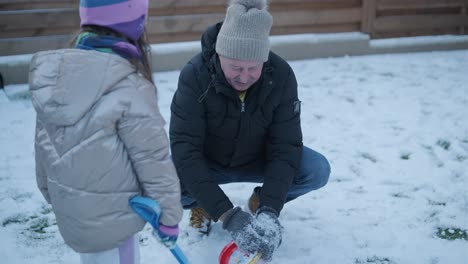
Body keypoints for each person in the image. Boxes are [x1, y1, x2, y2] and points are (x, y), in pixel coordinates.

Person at [169, 0, 331, 260]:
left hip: (258, 158)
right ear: (220, 55)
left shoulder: (281, 76)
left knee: (316, 169)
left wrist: (269, 209)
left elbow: (285, 148)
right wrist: (227, 214)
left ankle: (260, 202)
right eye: (235, 67)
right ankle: (202, 204)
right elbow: (185, 151)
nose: (244, 77)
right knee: (155, 182)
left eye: (253, 68)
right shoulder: (194, 75)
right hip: (207, 161)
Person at [29, 1, 183, 263]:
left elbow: (43, 147)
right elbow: (153, 160)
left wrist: (56, 196)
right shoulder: (129, 86)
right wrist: (169, 219)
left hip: (75, 214)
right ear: (135, 24)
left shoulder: (57, 79)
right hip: (116, 218)